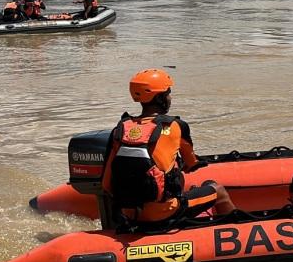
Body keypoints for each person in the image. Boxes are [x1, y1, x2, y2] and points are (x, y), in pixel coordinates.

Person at [99, 68, 235, 230]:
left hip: (129, 214)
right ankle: (238, 232)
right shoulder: (176, 126)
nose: (170, 98)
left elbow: (106, 185)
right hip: (165, 212)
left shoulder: (120, 129)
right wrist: (190, 164)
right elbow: (191, 163)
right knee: (218, 190)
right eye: (168, 94)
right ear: (160, 97)